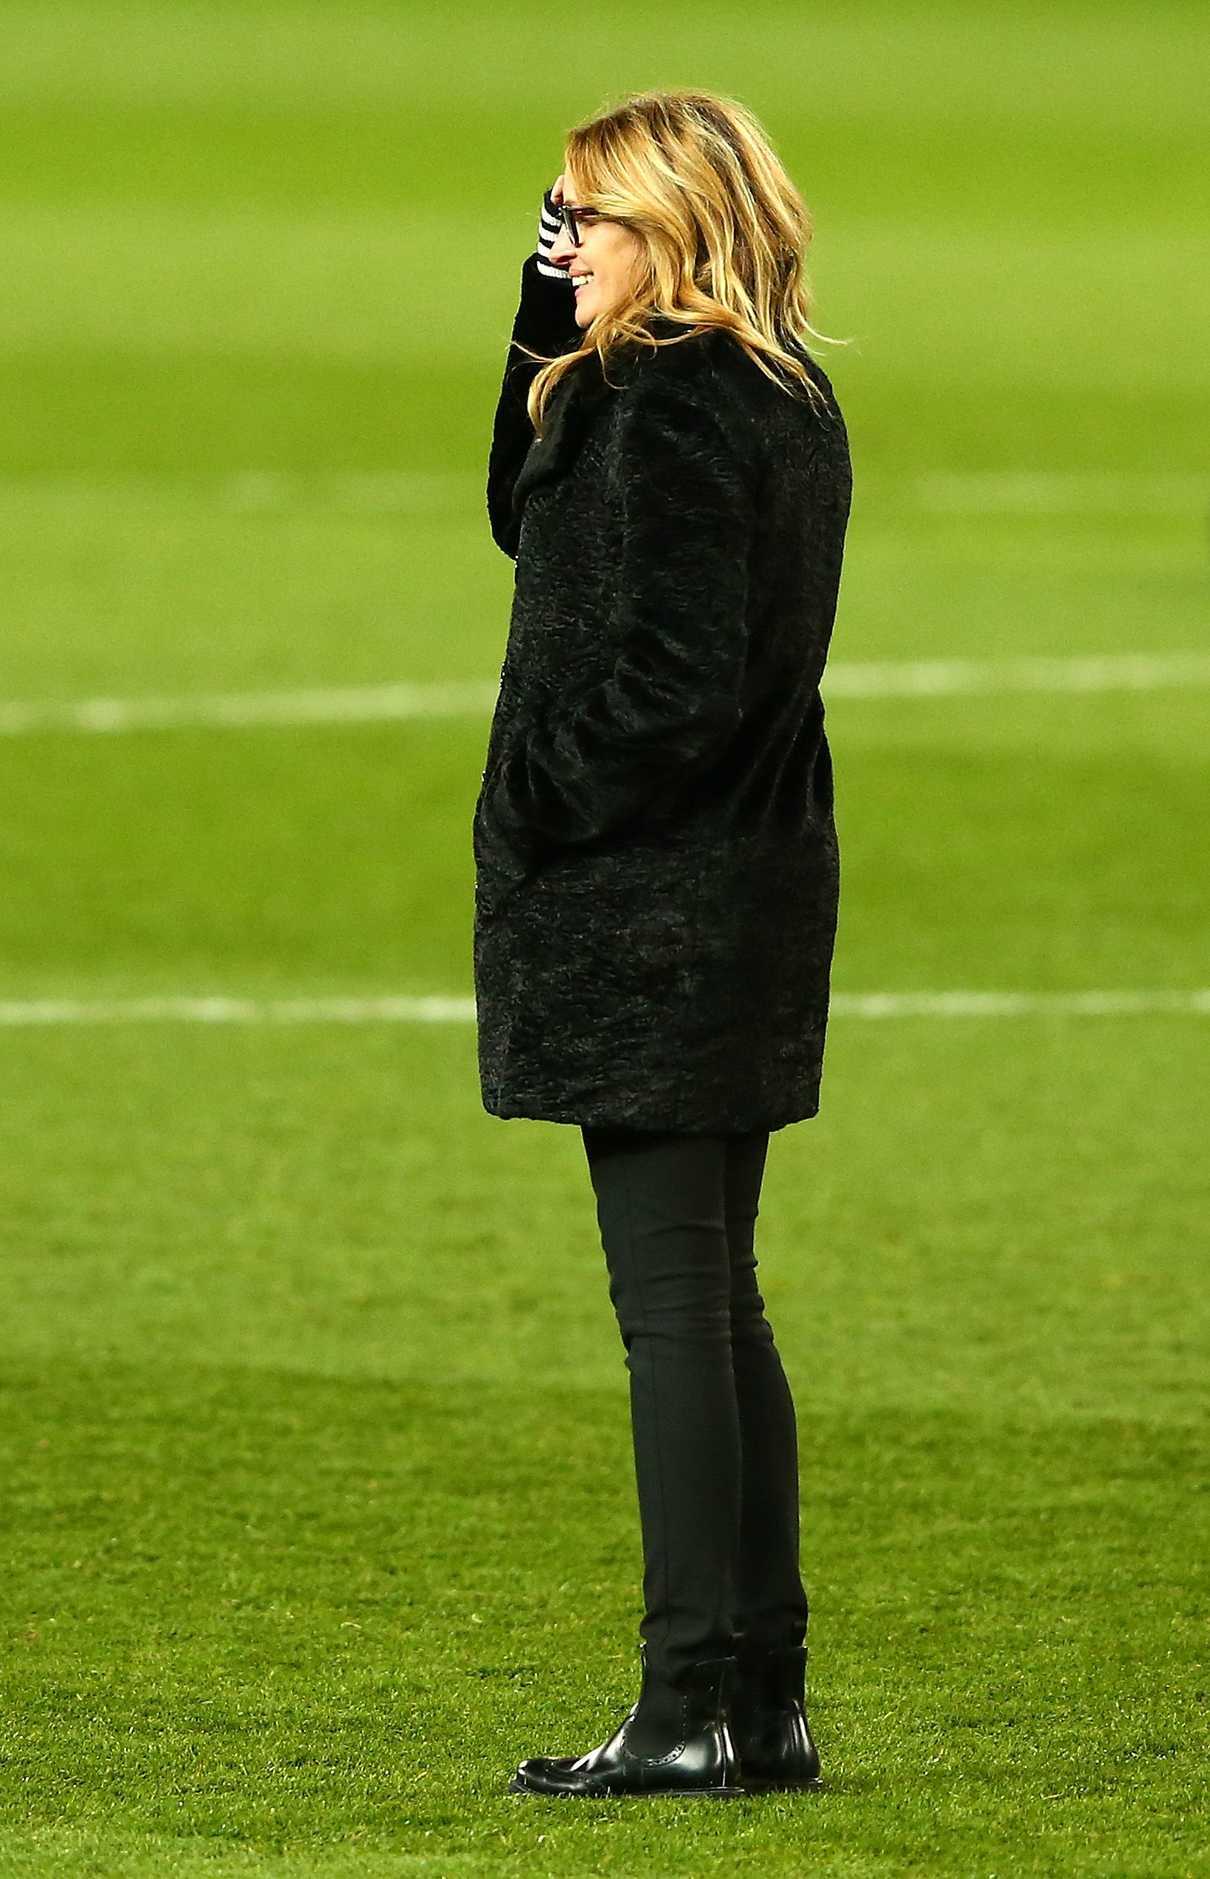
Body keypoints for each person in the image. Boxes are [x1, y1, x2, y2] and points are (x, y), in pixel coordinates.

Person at [473, 87, 854, 1799]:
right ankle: (753, 1702)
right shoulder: (760, 388)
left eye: (590, 220)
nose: (567, 245)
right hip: (734, 893)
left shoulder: (673, 410)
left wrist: (537, 804)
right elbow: (519, 506)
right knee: (715, 1305)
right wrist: (539, 316)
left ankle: (696, 1698)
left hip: (658, 909)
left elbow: (676, 685)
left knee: (672, 1311)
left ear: (681, 224)